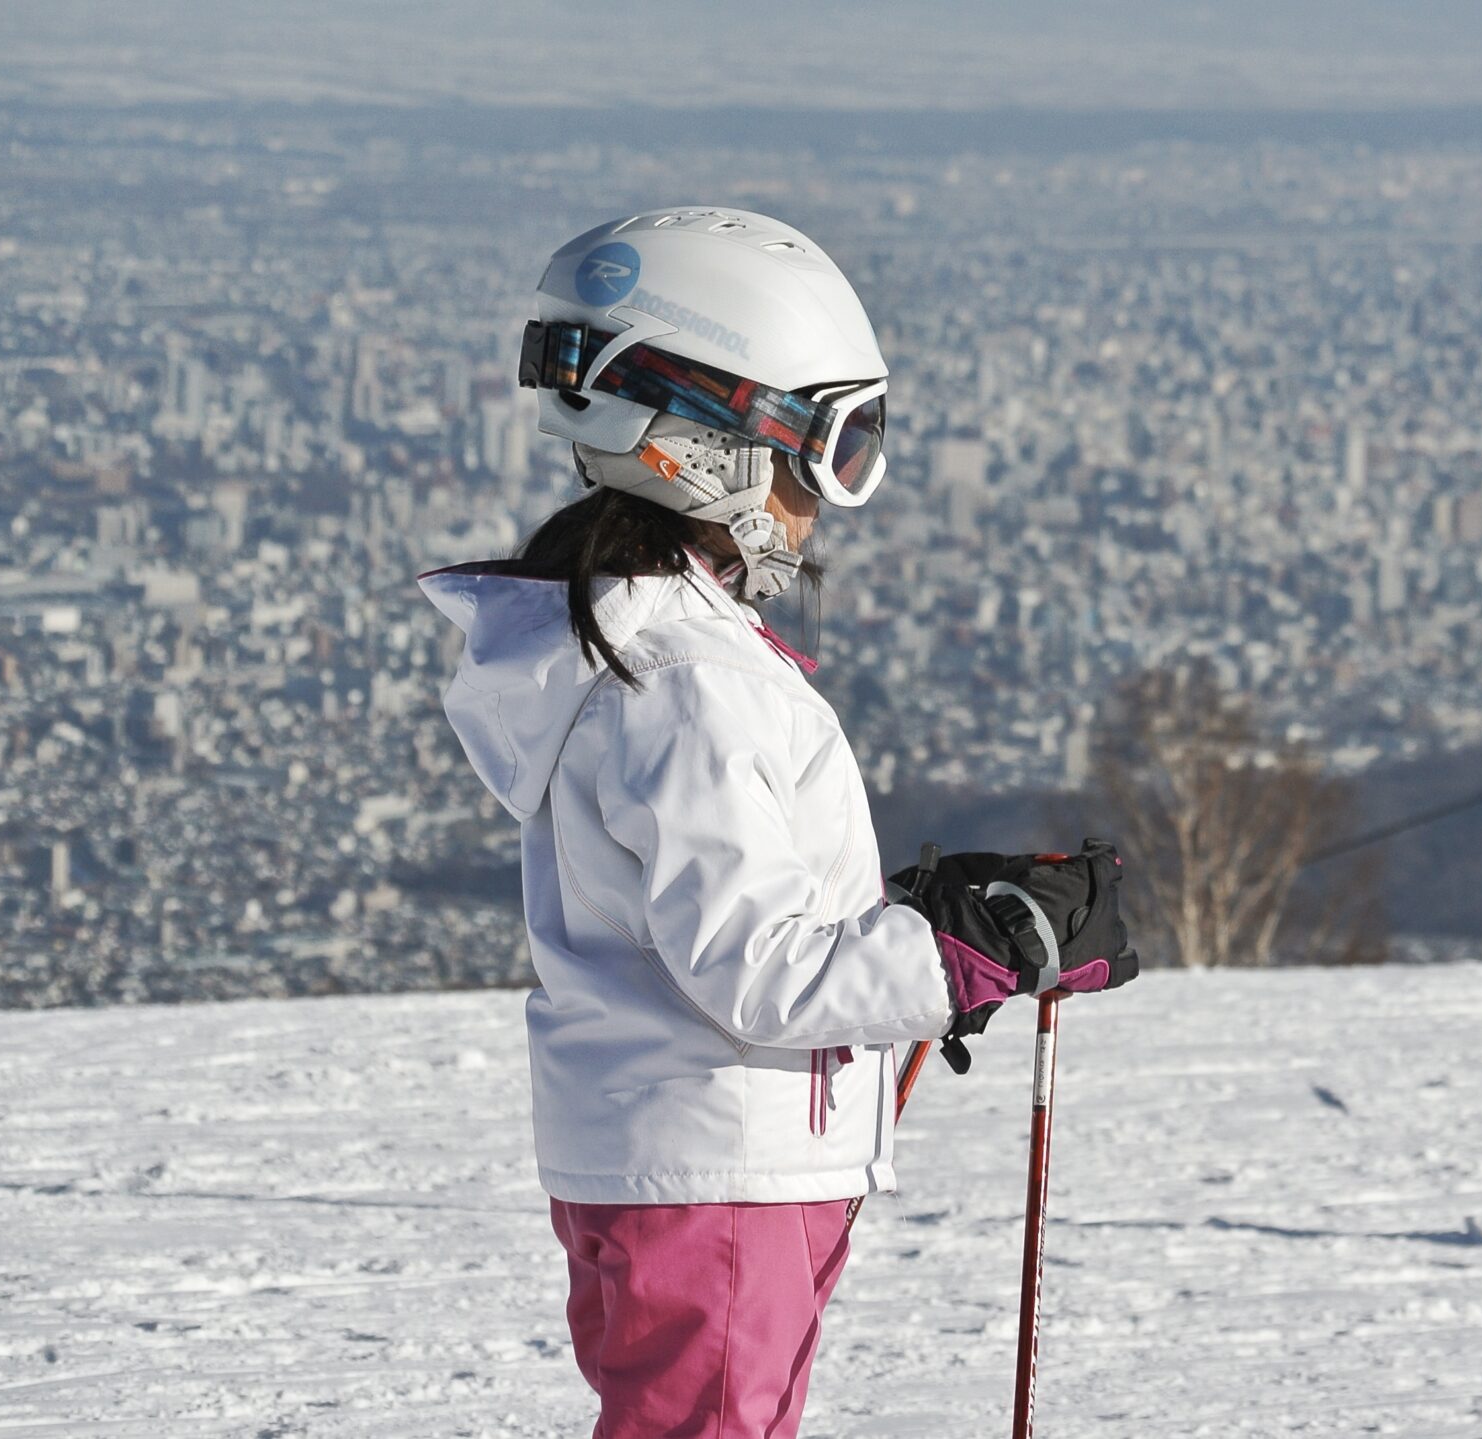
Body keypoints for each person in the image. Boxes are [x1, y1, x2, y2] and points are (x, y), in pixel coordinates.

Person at [419, 207, 1140, 1439]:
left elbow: (722, 920)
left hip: (675, 1154)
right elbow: (759, 970)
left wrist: (925, 918)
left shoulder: (623, 650)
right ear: (711, 450)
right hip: (720, 1163)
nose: (830, 499)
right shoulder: (697, 683)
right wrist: (968, 948)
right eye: (826, 446)